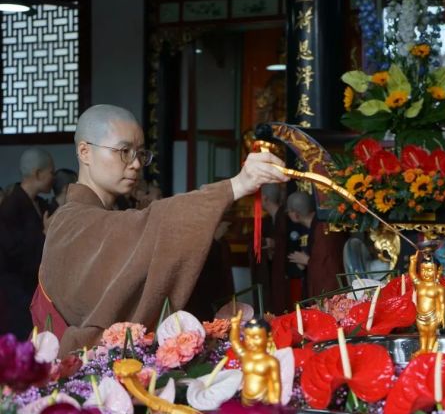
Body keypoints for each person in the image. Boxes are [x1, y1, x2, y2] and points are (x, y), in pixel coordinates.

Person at [30, 104, 288, 355]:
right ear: (85, 152)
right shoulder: (72, 222)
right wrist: (236, 185)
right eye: (124, 151)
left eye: (140, 153)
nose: (135, 164)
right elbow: (149, 225)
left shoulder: (100, 217)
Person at [0, 148, 54, 338]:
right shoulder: (10, 207)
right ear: (38, 173)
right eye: (51, 173)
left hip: (34, 288)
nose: (53, 178)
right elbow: (13, 253)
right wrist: (44, 235)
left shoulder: (40, 203)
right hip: (17, 292)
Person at [285, 191, 345, 299]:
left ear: (295, 214)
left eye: (289, 212)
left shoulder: (322, 230)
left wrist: (307, 261)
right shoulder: (319, 225)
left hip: (332, 292)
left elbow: (328, 265)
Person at [249, 183, 288, 314]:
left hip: (285, 278)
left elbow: (288, 245)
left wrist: (276, 245)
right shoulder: (269, 220)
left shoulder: (284, 218)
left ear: (264, 198)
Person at [230, 311, 281, 405]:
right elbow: (235, 342)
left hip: (264, 400)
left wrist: (276, 403)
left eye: (256, 337)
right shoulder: (245, 356)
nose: (250, 342)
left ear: (268, 338)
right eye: (247, 337)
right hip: (246, 399)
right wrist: (234, 326)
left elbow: (276, 383)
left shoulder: (271, 361)